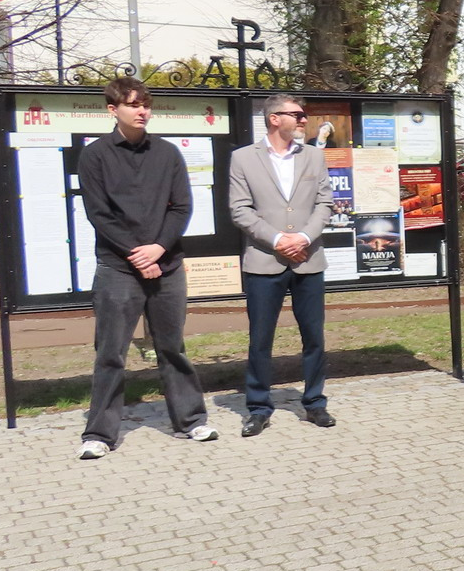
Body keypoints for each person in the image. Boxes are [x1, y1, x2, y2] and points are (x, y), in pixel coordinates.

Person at [76, 78, 217, 458]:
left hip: (166, 264)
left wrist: (157, 249)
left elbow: (181, 208)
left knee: (172, 347)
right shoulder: (95, 156)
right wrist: (136, 255)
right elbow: (99, 214)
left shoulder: (168, 153)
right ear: (112, 110)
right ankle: (100, 435)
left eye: (146, 104)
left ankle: (190, 420)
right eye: (133, 104)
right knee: (111, 352)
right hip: (117, 269)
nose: (142, 111)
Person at [228, 94, 336, 434]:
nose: (304, 120)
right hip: (264, 260)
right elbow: (240, 209)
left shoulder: (314, 157)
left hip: (308, 259)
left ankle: (315, 403)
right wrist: (278, 240)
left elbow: (325, 203)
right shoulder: (243, 158)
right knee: (261, 338)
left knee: (314, 336)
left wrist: (302, 238)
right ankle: (259, 407)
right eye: (298, 115)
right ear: (275, 118)